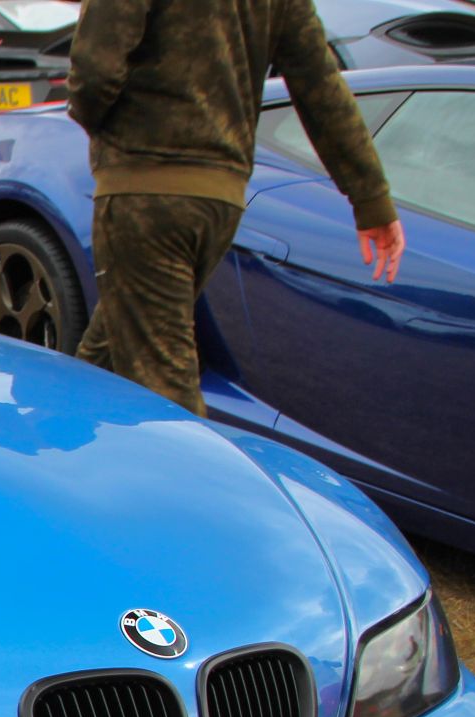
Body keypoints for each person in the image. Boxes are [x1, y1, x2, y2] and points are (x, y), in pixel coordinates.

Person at [66, 0, 406, 415]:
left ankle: (194, 477)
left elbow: (94, 72)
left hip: (147, 192)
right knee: (107, 355)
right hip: (221, 199)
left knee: (163, 391)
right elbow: (319, 85)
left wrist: (105, 130)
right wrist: (371, 199)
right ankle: (53, 450)